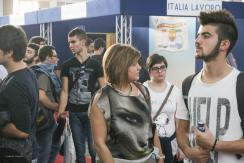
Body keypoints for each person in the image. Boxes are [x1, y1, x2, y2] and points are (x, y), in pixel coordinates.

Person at [176, 9, 244, 163]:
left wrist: (215, 145)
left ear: (224, 44)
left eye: (206, 36)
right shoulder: (188, 84)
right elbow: (181, 129)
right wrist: (188, 151)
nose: (197, 40)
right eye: (198, 35)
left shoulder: (240, 84)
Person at [89, 44, 164, 163]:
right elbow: (99, 144)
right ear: (120, 66)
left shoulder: (143, 90)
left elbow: (151, 127)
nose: (139, 67)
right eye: (134, 64)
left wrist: (160, 156)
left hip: (149, 159)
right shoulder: (102, 98)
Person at [58, 27, 105, 163]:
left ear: (83, 42)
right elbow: (65, 91)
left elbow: (104, 89)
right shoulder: (67, 65)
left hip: (92, 113)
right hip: (74, 114)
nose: (70, 45)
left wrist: (103, 113)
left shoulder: (96, 64)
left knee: (94, 149)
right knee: (79, 152)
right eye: (69, 43)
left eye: (73, 42)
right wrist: (61, 114)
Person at [0, 25, 39, 163]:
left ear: (9, 52)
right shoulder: (27, 73)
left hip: (13, 154)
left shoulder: (15, 83)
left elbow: (22, 131)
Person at [144, 54, 184, 163]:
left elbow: (178, 120)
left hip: (172, 142)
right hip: (149, 144)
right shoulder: (143, 90)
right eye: (156, 68)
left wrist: (182, 145)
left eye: (162, 67)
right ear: (149, 70)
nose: (160, 71)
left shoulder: (175, 90)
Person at [33, 45, 60, 163]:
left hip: (42, 118)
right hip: (45, 118)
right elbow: (42, 97)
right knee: (44, 151)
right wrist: (57, 106)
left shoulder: (36, 70)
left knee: (53, 146)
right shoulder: (43, 73)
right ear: (48, 58)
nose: (57, 59)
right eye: (55, 56)